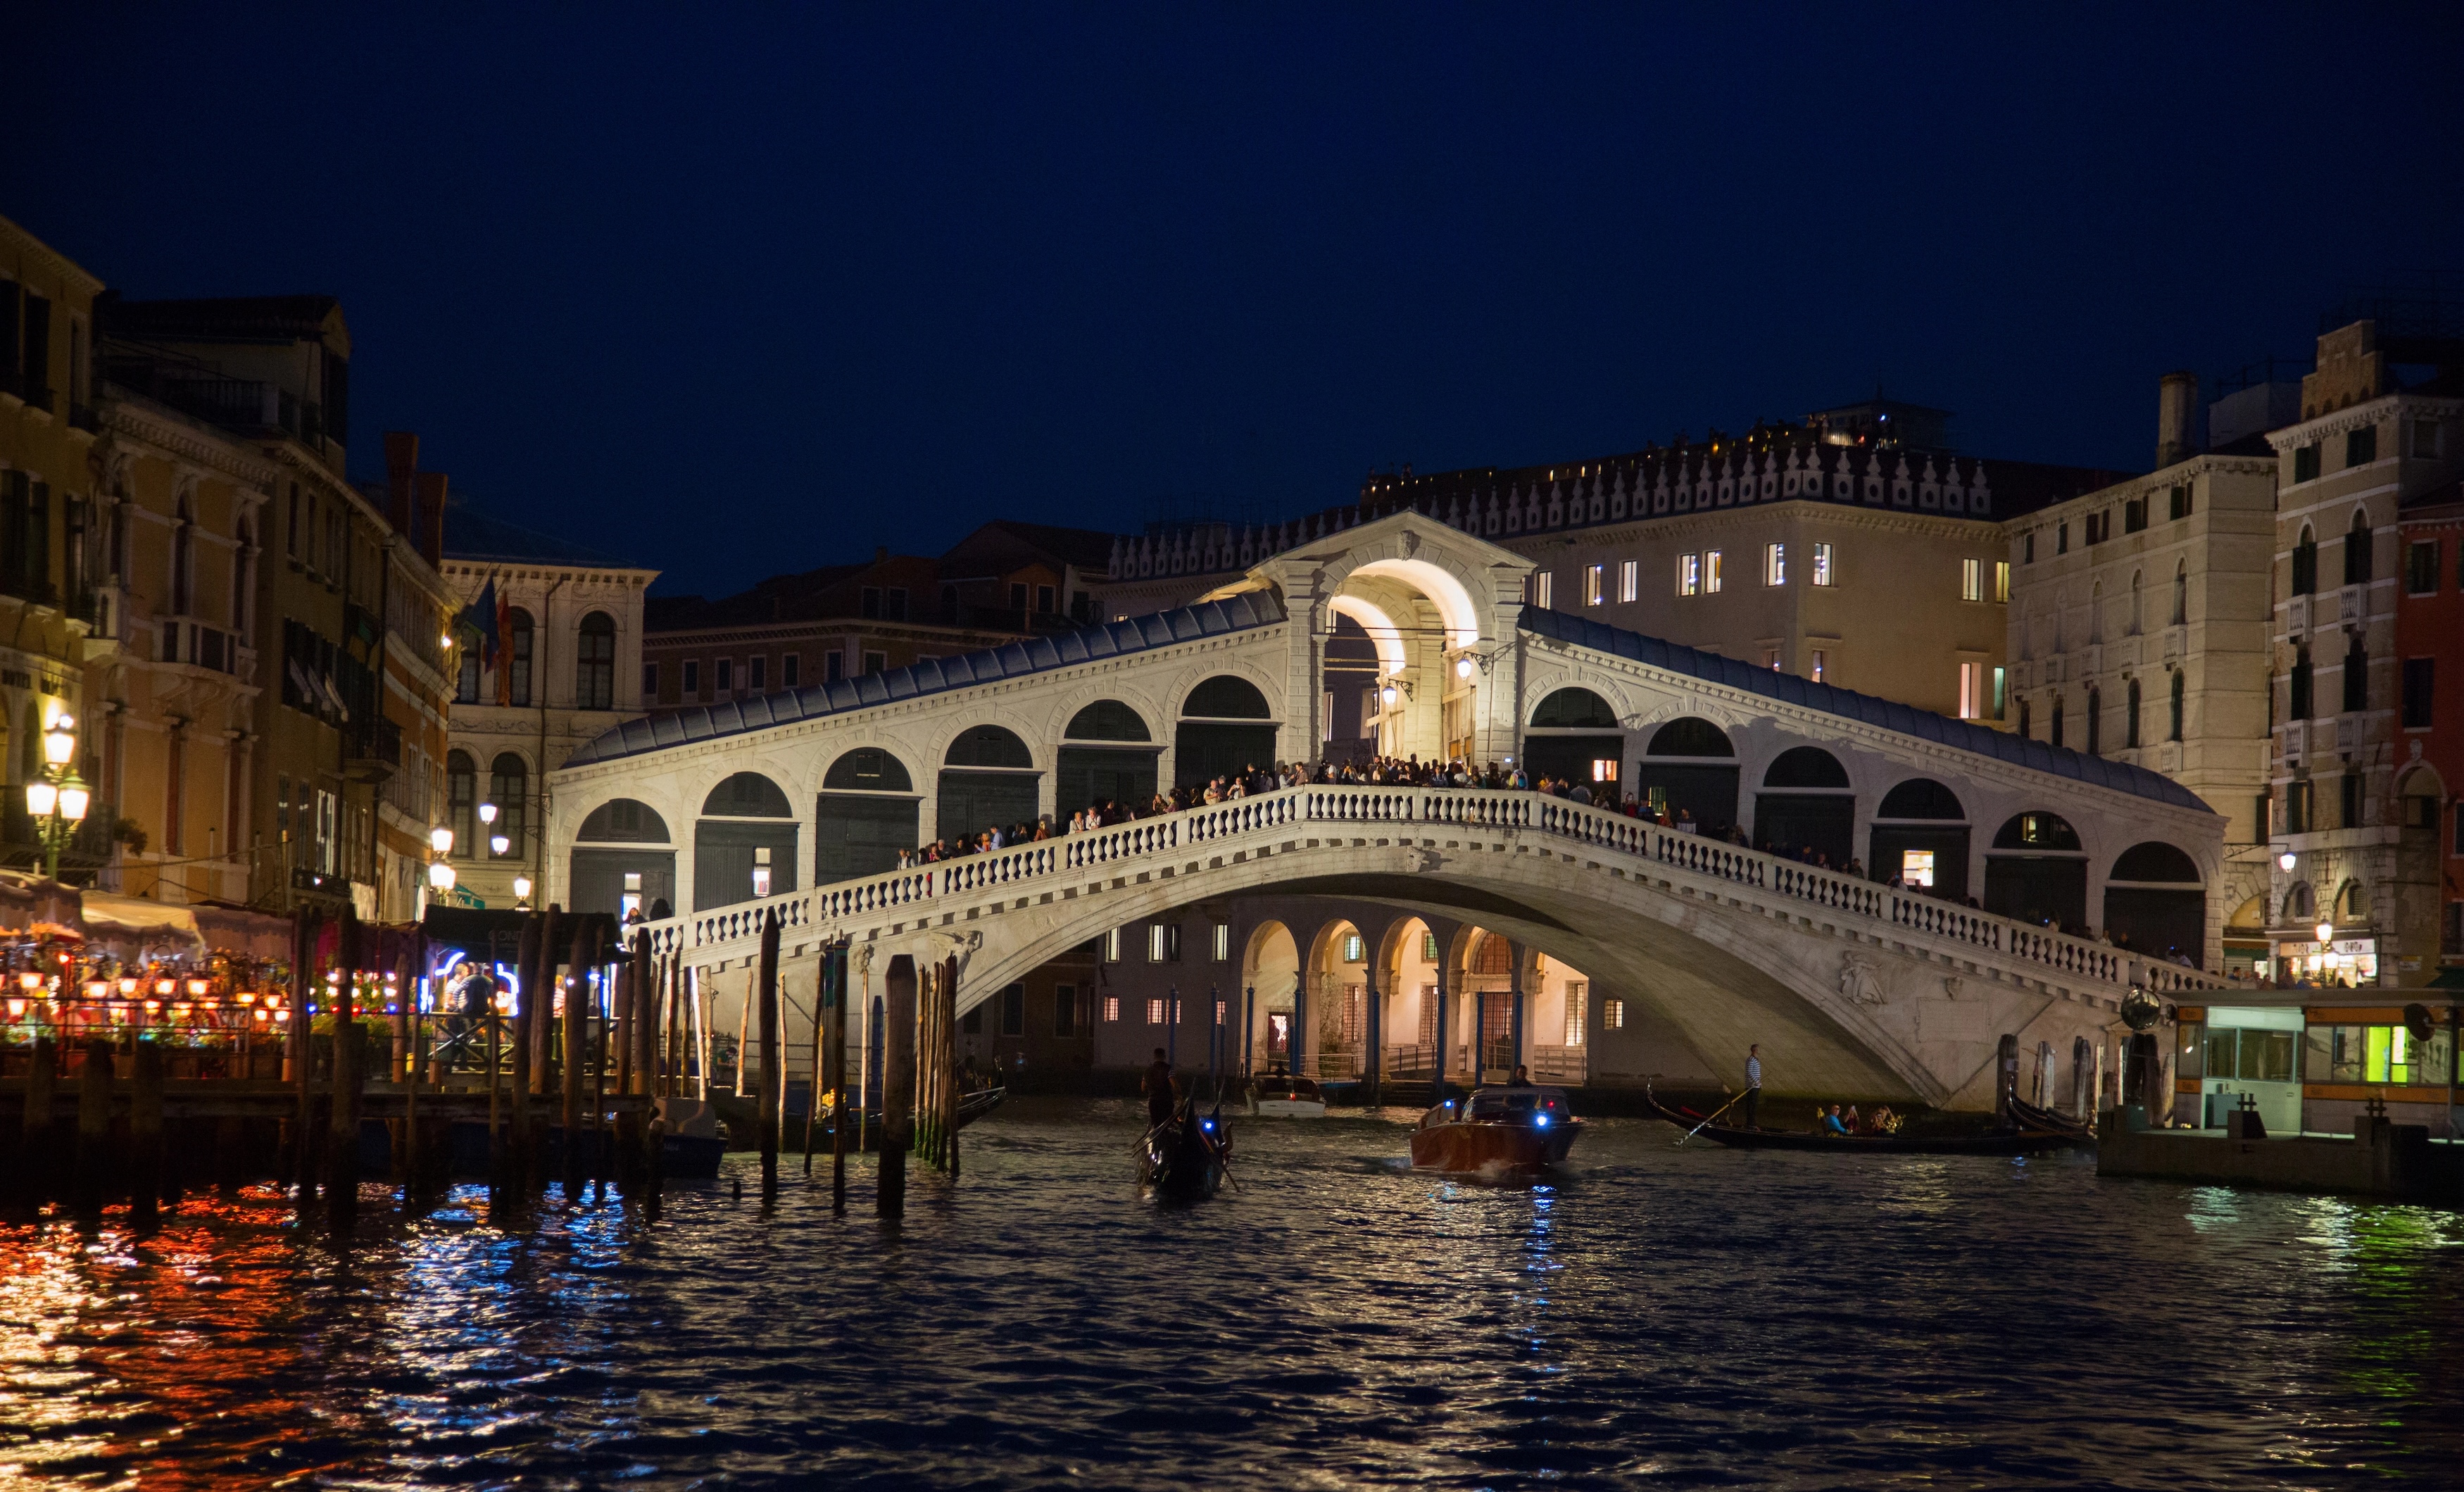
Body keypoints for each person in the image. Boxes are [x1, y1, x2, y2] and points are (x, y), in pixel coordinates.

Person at [1144, 1047, 1175, 1129]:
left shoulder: (1147, 1071)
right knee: (1167, 1124)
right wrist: (1179, 1095)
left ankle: (1157, 1140)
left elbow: (1143, 1087)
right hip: (1166, 1101)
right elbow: (1174, 1084)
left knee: (1156, 1124)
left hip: (1153, 1101)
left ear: (1154, 1057)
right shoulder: (1168, 1069)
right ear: (1164, 1056)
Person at [1741, 1043, 1762, 1128]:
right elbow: (1749, 1072)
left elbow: (1755, 1073)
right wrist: (1756, 1081)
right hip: (1751, 1086)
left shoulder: (1756, 1060)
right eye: (1759, 1049)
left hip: (1755, 1086)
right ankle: (1750, 1123)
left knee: (1754, 1105)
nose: (1760, 1051)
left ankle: (1752, 1122)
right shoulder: (1751, 1060)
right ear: (1755, 1050)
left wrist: (1759, 1083)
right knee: (1751, 1104)